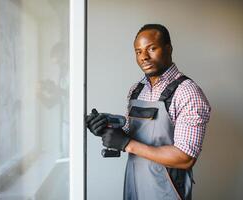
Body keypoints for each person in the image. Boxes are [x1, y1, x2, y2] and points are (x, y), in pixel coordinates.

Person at [86, 24, 211, 200]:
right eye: (138, 51)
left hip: (166, 191)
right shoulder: (136, 89)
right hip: (134, 186)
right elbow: (132, 134)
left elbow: (185, 158)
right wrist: (105, 128)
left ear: (168, 49)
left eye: (151, 48)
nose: (144, 57)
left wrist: (126, 144)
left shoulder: (187, 92)